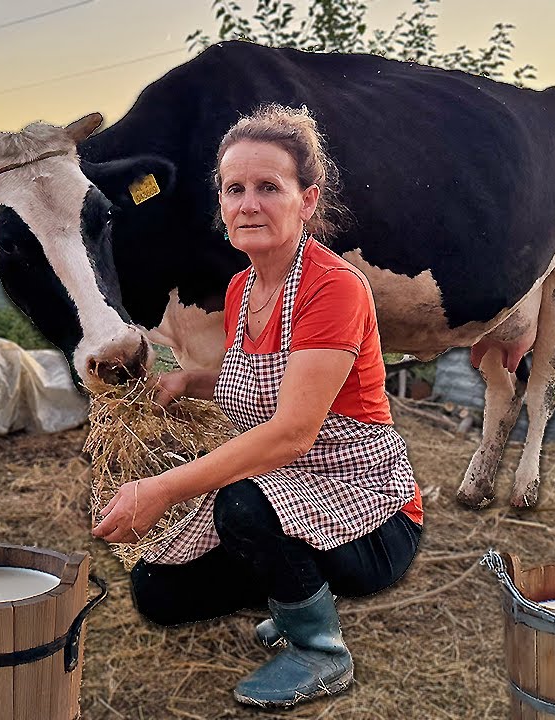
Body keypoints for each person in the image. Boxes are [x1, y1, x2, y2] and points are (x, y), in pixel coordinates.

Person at [91, 104, 424, 709]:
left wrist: (160, 490)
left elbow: (292, 432)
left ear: (307, 199)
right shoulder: (243, 287)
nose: (248, 204)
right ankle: (293, 589)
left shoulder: (334, 288)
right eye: (234, 189)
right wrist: (190, 380)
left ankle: (320, 651)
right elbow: (263, 381)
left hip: (370, 511)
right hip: (287, 492)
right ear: (221, 202)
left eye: (269, 187)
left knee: (241, 503)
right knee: (157, 593)